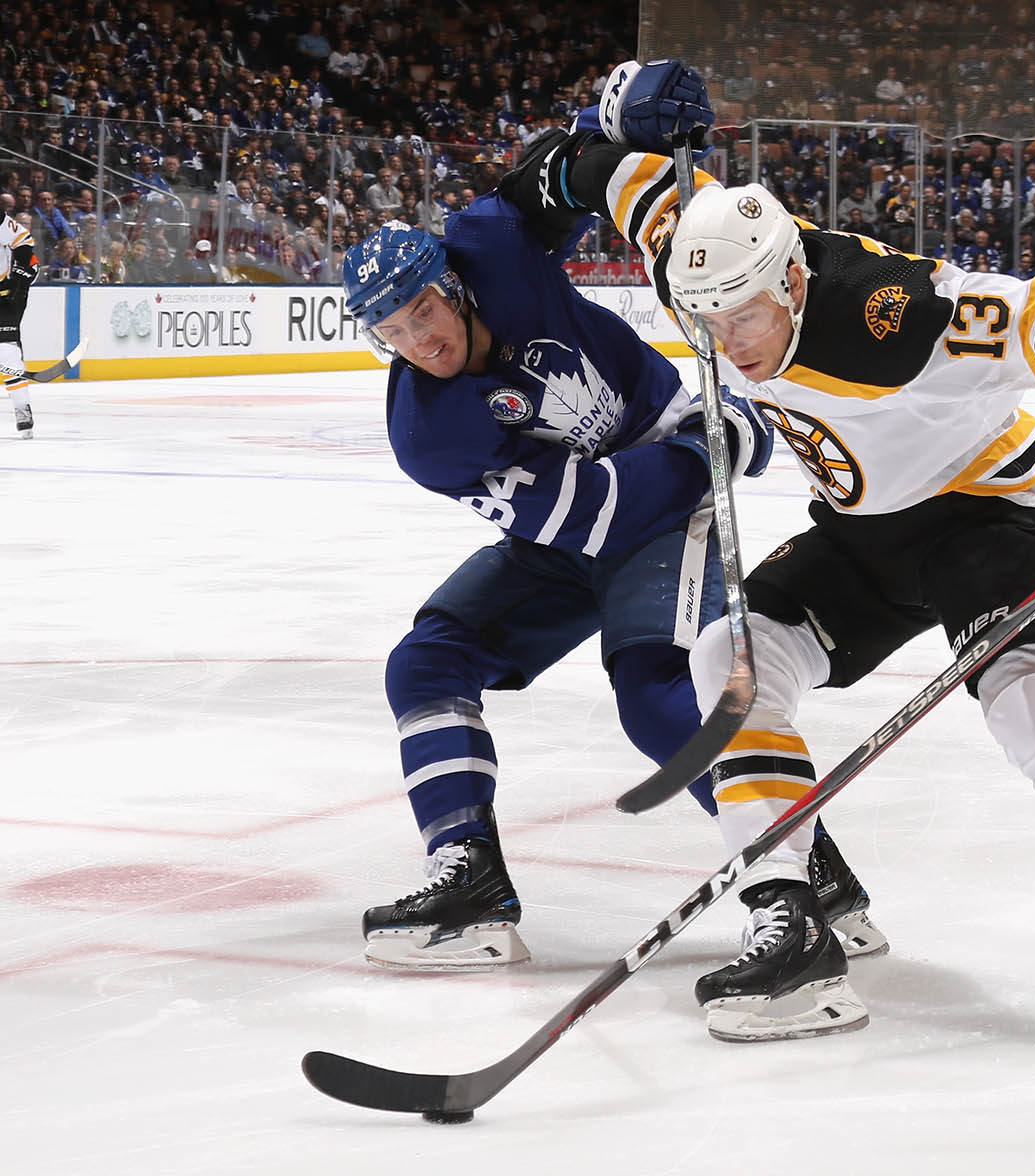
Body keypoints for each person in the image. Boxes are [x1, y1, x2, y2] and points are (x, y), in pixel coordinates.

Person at [510, 80, 1035, 1065]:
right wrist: (571, 158)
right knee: (728, 660)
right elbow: (640, 185)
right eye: (705, 323)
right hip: (860, 536)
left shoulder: (895, 319)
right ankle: (789, 926)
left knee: (1034, 704)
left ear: (792, 282)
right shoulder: (705, 254)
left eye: (744, 322)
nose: (727, 348)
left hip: (982, 520)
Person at [337, 60, 886, 973]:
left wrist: (625, 123)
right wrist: (713, 450)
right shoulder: (428, 434)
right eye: (391, 331)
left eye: (423, 309)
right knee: (428, 661)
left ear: (456, 286)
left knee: (658, 697)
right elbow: (593, 518)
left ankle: (807, 878)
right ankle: (466, 870)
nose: (417, 340)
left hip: (659, 496)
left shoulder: (492, 249)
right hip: (598, 514)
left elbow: (564, 170)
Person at [1, 210, 39, 438]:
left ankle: (21, 408)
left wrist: (17, 280)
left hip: (3, 295)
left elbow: (24, 241)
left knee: (6, 352)